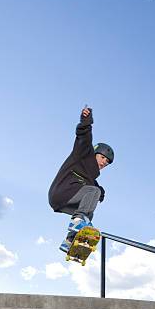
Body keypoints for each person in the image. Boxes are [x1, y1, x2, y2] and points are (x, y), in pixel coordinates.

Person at [48, 106, 114, 252]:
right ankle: (77, 222)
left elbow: (96, 188)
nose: (104, 162)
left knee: (90, 210)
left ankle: (70, 241)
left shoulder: (91, 178)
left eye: (106, 162)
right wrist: (86, 121)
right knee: (93, 192)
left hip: (64, 202)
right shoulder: (83, 154)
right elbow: (83, 137)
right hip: (61, 191)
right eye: (102, 157)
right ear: (95, 153)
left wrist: (101, 192)